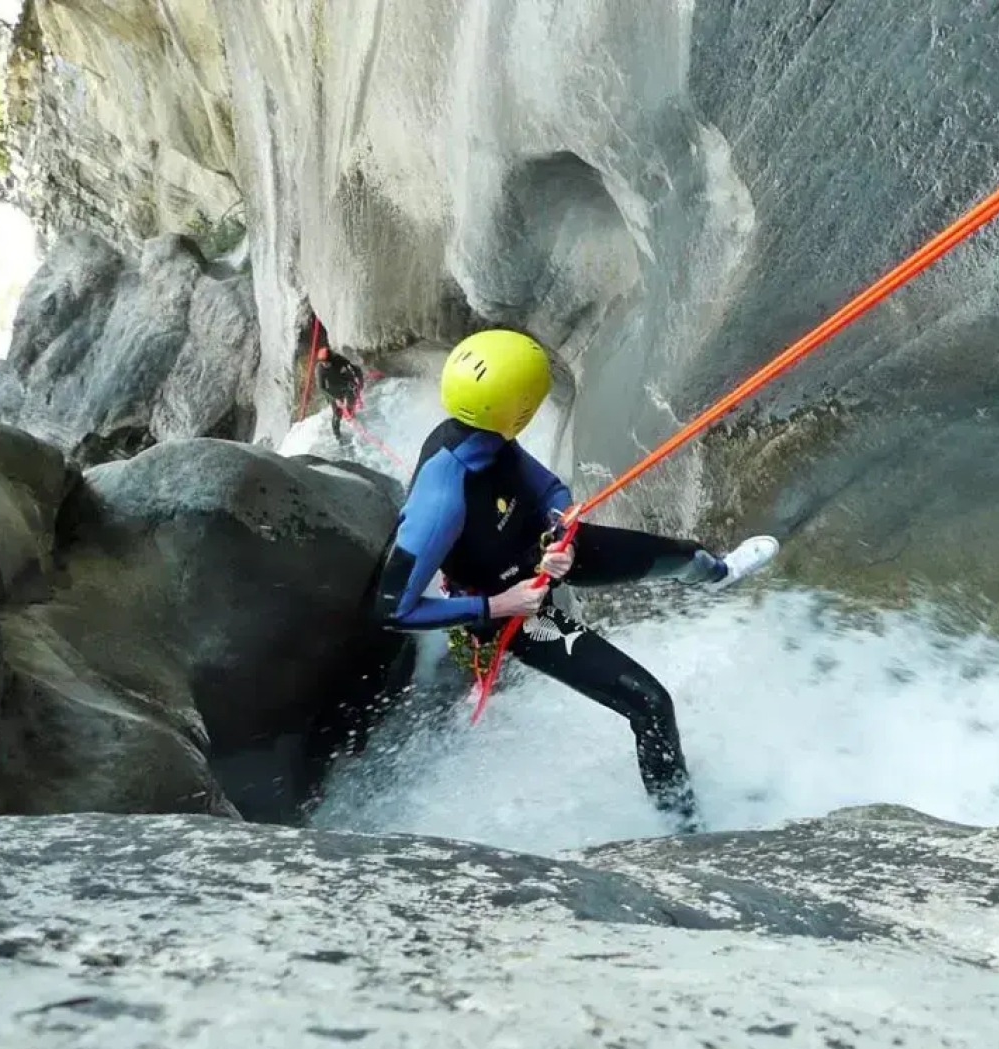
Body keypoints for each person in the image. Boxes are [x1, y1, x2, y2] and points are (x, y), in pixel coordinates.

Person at [370, 329, 778, 832]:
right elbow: (392, 607)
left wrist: (560, 527)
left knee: (686, 555)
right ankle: (684, 831)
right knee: (651, 704)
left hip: (546, 553)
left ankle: (719, 575)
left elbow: (547, 488)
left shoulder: (489, 438)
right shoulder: (441, 499)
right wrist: (498, 606)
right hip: (512, 611)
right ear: (517, 407)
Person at [316, 346, 366, 440]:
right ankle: (337, 436)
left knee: (350, 404)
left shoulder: (338, 359)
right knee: (337, 415)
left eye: (326, 362)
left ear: (331, 359)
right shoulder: (320, 369)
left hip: (346, 384)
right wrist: (334, 399)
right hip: (333, 391)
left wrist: (360, 382)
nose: (324, 364)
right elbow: (321, 388)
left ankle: (354, 419)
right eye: (322, 362)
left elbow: (355, 369)